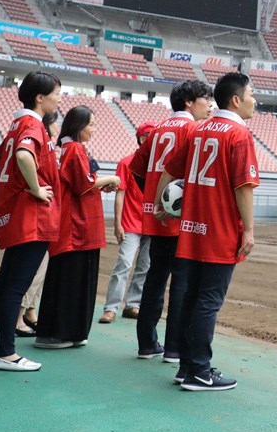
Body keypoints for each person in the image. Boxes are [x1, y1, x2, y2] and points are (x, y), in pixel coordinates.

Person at [163, 71, 258, 391]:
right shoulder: (239, 134)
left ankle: (187, 366)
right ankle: (200, 371)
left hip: (192, 228)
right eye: (251, 94)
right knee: (208, 301)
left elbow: (171, 169)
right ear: (236, 99)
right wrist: (249, 231)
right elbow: (244, 187)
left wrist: (163, 206)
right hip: (219, 229)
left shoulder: (199, 128)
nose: (254, 100)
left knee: (190, 297)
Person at [0, 71, 60, 372]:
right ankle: (6, 353)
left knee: (2, 285)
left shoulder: (14, 124)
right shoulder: (32, 124)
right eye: (56, 93)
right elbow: (23, 156)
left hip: (15, 215)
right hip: (31, 218)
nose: (59, 98)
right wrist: (36, 188)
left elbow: (3, 159)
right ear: (40, 97)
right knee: (15, 287)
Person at [129, 80, 212, 363]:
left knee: (154, 278)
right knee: (182, 283)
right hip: (180, 221)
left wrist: (155, 198)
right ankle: (174, 348)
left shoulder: (158, 129)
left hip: (156, 219)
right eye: (205, 98)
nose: (209, 104)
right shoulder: (194, 129)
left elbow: (136, 168)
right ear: (189, 102)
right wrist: (172, 202)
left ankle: (146, 344)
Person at [34, 105, 119, 349]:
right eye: (91, 124)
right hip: (77, 229)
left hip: (81, 227)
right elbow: (84, 183)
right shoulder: (73, 149)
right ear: (79, 126)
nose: (94, 129)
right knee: (71, 280)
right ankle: (60, 332)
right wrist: (110, 179)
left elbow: (82, 184)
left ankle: (69, 332)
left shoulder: (71, 148)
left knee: (75, 279)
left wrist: (100, 185)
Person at [99, 122, 156, 324]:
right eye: (150, 136)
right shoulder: (127, 163)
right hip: (131, 224)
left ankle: (133, 304)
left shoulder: (159, 165)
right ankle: (111, 308)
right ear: (141, 139)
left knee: (145, 267)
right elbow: (120, 195)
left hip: (152, 224)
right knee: (124, 263)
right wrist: (118, 223)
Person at [16, 111, 59, 339]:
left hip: (43, 216)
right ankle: (17, 318)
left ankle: (30, 312)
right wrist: (36, 188)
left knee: (40, 270)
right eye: (55, 124)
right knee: (32, 270)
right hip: (36, 216)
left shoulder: (48, 145)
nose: (57, 128)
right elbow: (23, 156)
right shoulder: (36, 135)